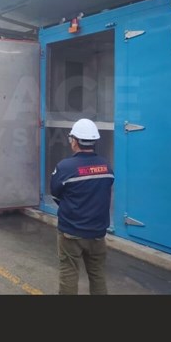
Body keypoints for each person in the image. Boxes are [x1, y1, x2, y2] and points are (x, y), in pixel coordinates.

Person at [50, 118, 114, 295]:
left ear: (75, 141)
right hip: (97, 233)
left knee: (69, 273)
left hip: (71, 232)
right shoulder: (106, 167)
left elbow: (55, 195)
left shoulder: (65, 168)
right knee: (97, 275)